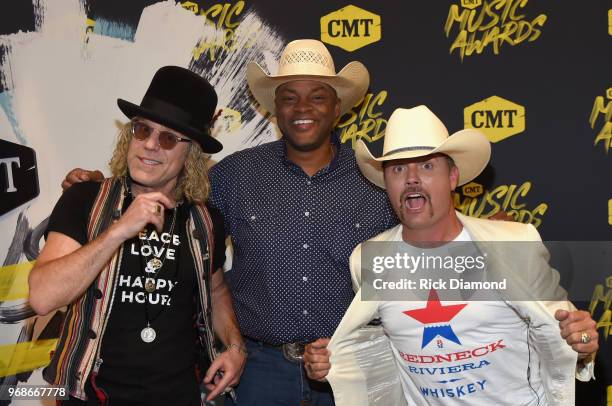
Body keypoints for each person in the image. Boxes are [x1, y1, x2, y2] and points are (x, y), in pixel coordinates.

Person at [61, 42, 597, 405]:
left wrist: (500, 237)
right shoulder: (233, 176)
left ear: (337, 108)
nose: (303, 108)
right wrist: (102, 183)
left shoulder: (377, 178)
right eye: (288, 97)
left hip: (354, 366)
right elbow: (173, 192)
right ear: (273, 108)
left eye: (317, 97)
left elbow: (432, 220)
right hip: (261, 370)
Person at [302, 106, 599, 405]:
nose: (412, 179)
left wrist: (583, 342)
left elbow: (566, 336)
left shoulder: (512, 243)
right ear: (386, 183)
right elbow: (382, 348)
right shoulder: (366, 259)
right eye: (398, 169)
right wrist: (334, 364)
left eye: (427, 166)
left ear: (453, 177)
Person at [29, 66, 246, 405]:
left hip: (178, 396)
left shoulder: (206, 221)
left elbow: (216, 290)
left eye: (168, 138)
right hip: (90, 394)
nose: (149, 145)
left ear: (190, 153)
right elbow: (42, 297)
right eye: (142, 130)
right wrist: (119, 230)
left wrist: (235, 345)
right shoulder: (85, 199)